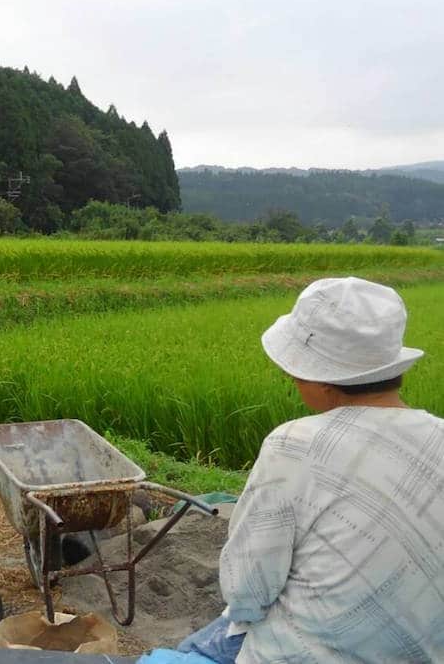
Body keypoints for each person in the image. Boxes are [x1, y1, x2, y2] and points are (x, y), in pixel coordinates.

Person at [178, 277, 444, 663]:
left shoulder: (294, 445)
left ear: (322, 383)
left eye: (297, 372)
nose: (292, 379)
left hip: (301, 655)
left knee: (194, 648)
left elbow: (246, 589)